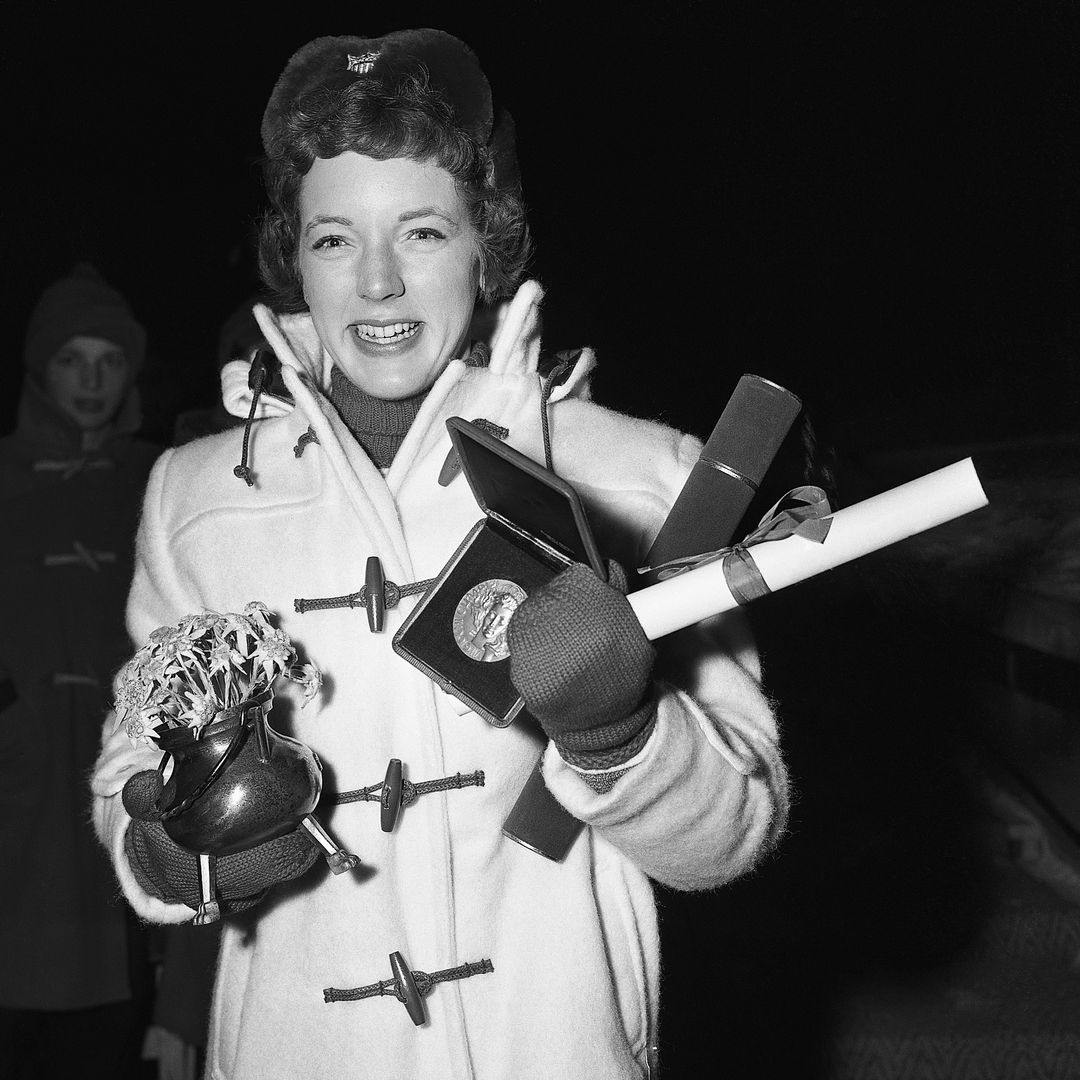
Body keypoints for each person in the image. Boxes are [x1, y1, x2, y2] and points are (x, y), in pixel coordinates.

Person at [91, 30, 788, 1079]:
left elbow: (735, 827)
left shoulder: (637, 480)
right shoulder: (192, 500)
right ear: (294, 251)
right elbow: (128, 771)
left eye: (420, 231)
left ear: (486, 240)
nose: (376, 282)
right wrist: (169, 845)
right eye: (335, 239)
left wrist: (620, 736)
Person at [0, 263, 160, 1078]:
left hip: (120, 778)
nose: (93, 380)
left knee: (113, 1018)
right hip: (17, 791)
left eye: (111, 360)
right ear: (40, 366)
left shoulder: (156, 479)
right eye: (73, 359)